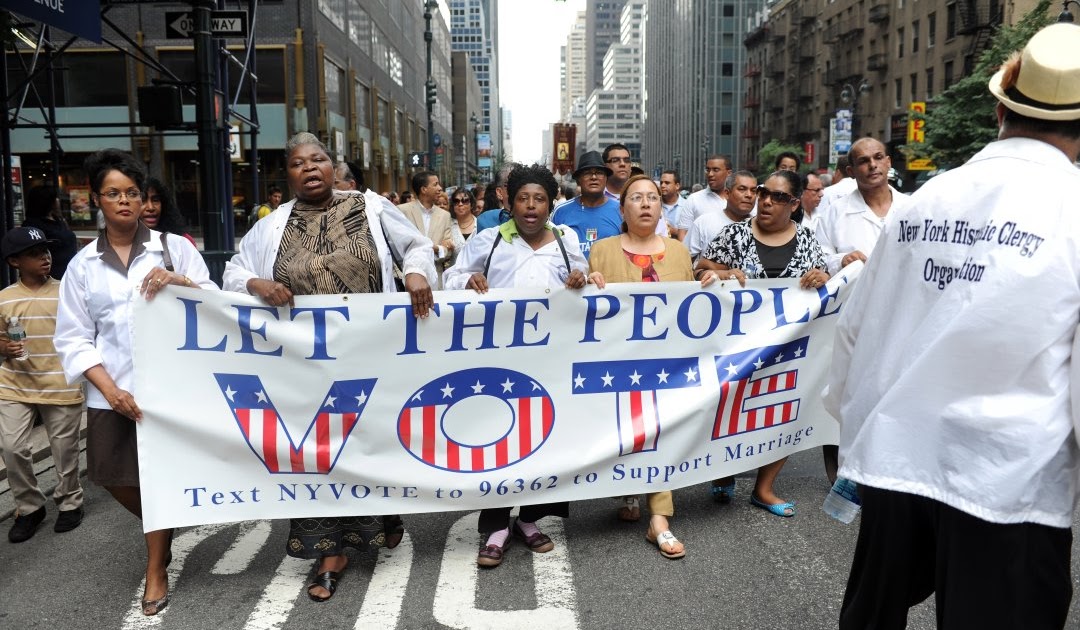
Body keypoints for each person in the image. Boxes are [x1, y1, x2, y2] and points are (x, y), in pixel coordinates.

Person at [825, 24, 1080, 628]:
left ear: (1000, 110)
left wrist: (857, 437)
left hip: (897, 457)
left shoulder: (929, 198)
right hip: (1005, 479)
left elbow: (856, 331)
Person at [223, 132, 436, 602]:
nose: (309, 168)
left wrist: (416, 272)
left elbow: (417, 246)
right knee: (317, 450)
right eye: (298, 163)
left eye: (317, 159)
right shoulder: (271, 226)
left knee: (366, 440)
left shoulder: (371, 207)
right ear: (288, 174)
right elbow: (234, 271)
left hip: (368, 352)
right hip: (303, 361)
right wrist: (257, 283)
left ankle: (383, 517)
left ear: (332, 165)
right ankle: (330, 552)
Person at [55, 148, 215, 616]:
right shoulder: (83, 264)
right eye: (113, 193)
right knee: (109, 475)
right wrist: (109, 390)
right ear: (96, 199)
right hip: (112, 389)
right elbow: (74, 336)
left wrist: (180, 281)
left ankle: (155, 566)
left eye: (131, 192)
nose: (124, 201)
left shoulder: (173, 248)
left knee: (158, 475)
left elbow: (214, 301)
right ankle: (166, 518)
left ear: (143, 198)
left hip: (170, 388)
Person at [443, 164, 590, 569]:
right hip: (497, 363)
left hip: (551, 362)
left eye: (539, 199)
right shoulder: (489, 240)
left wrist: (581, 279)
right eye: (523, 198)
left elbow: (585, 279)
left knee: (545, 439)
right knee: (498, 441)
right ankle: (496, 528)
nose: (530, 206)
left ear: (550, 204)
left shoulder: (566, 241)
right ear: (510, 202)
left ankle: (529, 519)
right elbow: (451, 277)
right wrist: (466, 282)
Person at [587, 174, 721, 560]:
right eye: (636, 198)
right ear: (622, 208)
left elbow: (692, 302)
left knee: (660, 430)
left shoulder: (678, 252)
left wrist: (711, 281)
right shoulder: (601, 251)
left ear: (662, 208)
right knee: (628, 428)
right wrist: (587, 283)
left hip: (668, 365)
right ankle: (629, 489)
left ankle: (659, 518)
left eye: (653, 197)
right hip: (620, 363)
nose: (646, 204)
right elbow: (583, 309)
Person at [696, 170, 829, 517]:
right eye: (763, 192)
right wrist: (721, 274)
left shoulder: (807, 239)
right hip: (735, 346)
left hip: (788, 346)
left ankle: (764, 488)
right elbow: (700, 269)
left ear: (794, 204)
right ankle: (723, 471)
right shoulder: (735, 234)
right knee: (729, 407)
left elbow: (825, 281)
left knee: (783, 410)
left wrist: (823, 277)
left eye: (778, 197)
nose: (767, 201)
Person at [0, 227, 85, 543]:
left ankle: (70, 501)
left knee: (64, 450)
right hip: (14, 384)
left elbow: (83, 333)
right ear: (15, 261)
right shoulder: (4, 298)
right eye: (34, 254)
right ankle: (30, 507)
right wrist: (4, 347)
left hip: (61, 383)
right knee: (12, 447)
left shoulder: (66, 293)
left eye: (46, 251)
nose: (44, 257)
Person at [814, 137, 911, 275]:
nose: (873, 165)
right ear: (851, 171)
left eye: (878, 157)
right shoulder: (834, 213)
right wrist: (841, 261)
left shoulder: (911, 207)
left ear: (888, 162)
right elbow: (818, 259)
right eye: (863, 161)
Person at [551, 151, 622, 260]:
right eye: (587, 173)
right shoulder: (561, 211)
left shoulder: (621, 210)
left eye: (599, 173)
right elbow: (550, 250)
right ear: (579, 179)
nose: (593, 177)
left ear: (606, 178)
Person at [684, 170, 758, 261]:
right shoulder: (704, 223)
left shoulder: (762, 226)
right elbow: (683, 261)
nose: (749, 195)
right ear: (727, 193)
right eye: (742, 189)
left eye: (753, 191)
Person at [397, 170, 454, 282]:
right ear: (424, 189)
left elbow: (449, 250)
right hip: (408, 278)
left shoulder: (445, 215)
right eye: (435, 184)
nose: (440, 188)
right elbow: (397, 245)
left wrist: (437, 249)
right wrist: (434, 247)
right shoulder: (402, 211)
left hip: (435, 280)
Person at [22, 186, 77, 280]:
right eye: (55, 198)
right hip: (52, 275)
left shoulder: (57, 219)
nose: (58, 201)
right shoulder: (33, 224)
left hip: (70, 272)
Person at [675, 155, 733, 241]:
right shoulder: (694, 200)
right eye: (708, 170)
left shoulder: (738, 200)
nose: (710, 174)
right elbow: (683, 234)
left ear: (729, 173)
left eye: (715, 170)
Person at [141, 177, 196, 246]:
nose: (151, 207)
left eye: (155, 200)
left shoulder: (183, 241)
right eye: (143, 200)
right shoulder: (128, 243)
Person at [448, 187, 477, 267]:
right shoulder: (448, 226)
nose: (460, 204)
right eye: (456, 201)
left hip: (477, 272)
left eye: (465, 201)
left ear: (472, 205)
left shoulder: (480, 224)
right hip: (454, 272)